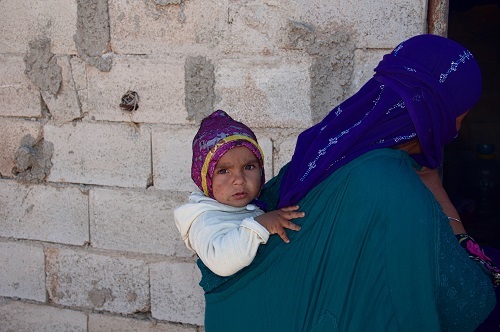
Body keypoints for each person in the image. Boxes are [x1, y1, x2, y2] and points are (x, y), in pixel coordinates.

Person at [194, 34, 497, 331]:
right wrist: (436, 187)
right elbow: (469, 304)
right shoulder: (396, 188)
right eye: (461, 116)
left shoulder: (324, 148)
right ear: (436, 114)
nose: (459, 128)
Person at [174, 110, 304, 277]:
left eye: (249, 167)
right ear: (205, 179)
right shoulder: (205, 220)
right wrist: (260, 225)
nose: (239, 180)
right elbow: (221, 261)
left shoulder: (257, 202)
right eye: (223, 171)